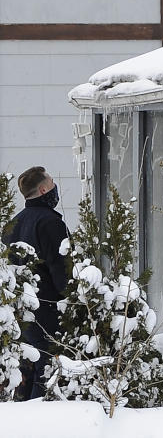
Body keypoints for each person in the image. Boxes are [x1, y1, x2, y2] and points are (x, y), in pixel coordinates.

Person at [1, 166, 69, 400]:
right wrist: (70, 300)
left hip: (19, 310)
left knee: (26, 370)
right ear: (43, 189)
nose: (54, 186)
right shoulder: (50, 222)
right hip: (47, 307)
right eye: (51, 182)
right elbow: (60, 267)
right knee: (48, 367)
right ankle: (40, 419)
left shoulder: (13, 225)